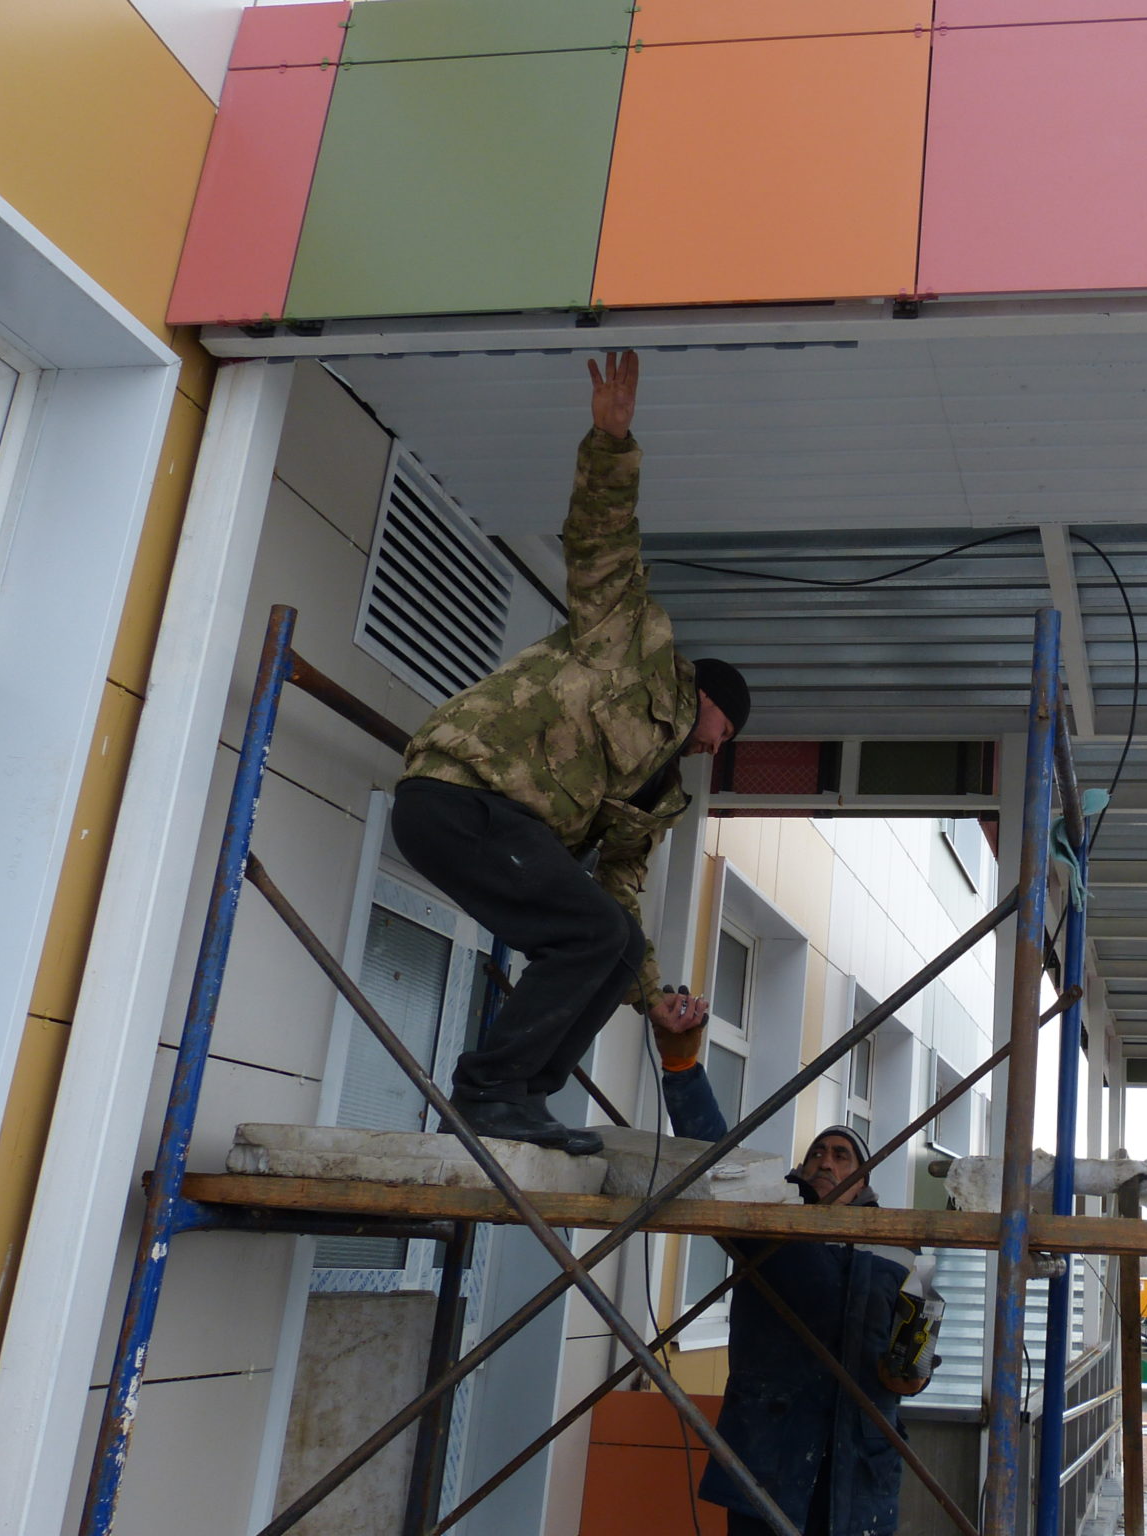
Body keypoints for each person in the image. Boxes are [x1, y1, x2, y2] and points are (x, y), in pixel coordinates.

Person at [391, 351, 750, 1155]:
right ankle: (487, 1092)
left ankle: (521, 1097)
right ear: (710, 700)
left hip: (506, 832)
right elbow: (602, 545)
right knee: (588, 934)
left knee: (609, 941)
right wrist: (610, 443)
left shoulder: (658, 792)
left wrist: (650, 996)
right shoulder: (634, 646)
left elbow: (620, 890)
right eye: (724, 733)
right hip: (461, 793)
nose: (713, 749)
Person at [652, 1005, 917, 1536]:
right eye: (817, 1153)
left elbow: (919, 1344)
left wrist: (912, 1374)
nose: (825, 1162)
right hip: (773, 1455)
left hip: (857, 1469)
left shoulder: (899, 1253)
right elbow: (717, 1160)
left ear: (863, 1184)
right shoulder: (774, 1225)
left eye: (841, 1156)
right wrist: (682, 1067)